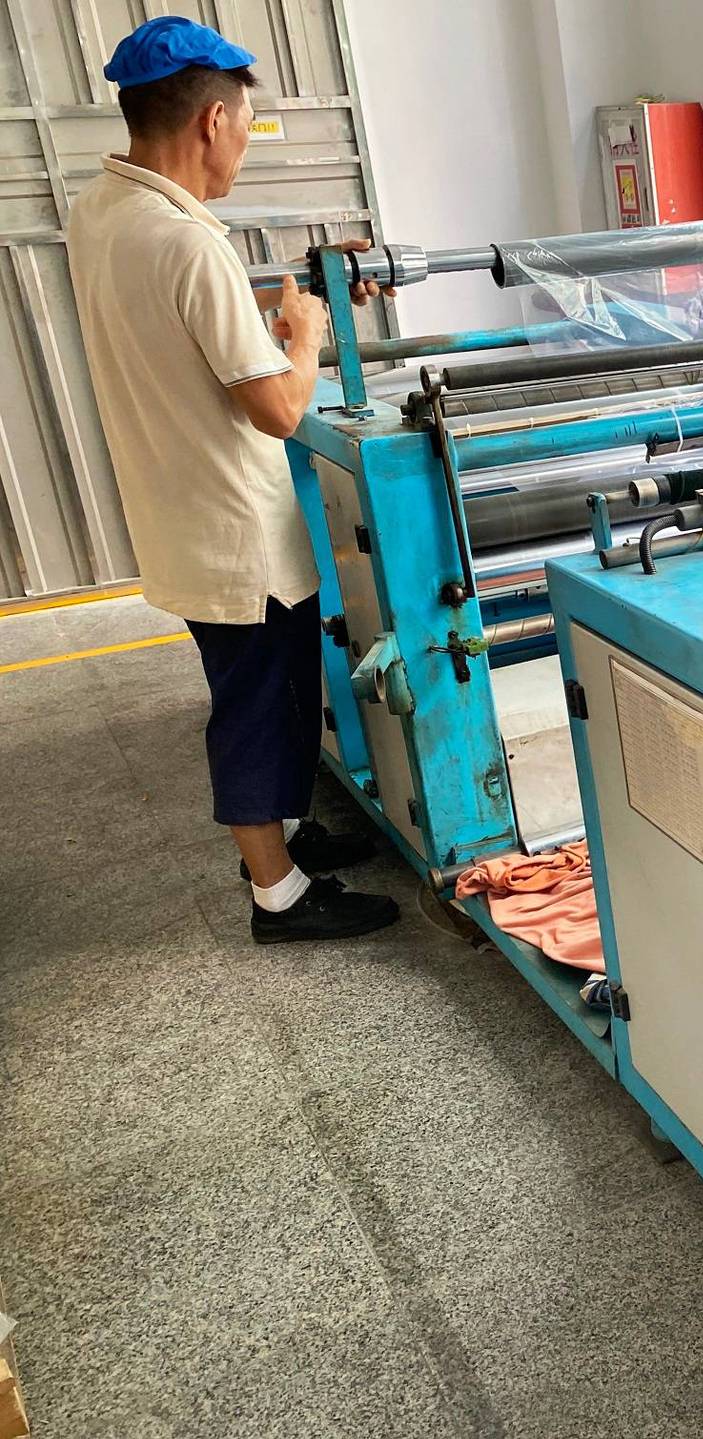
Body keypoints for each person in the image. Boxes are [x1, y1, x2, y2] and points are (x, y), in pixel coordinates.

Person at [69, 17, 400, 943]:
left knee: (269, 691)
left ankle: (284, 839)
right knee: (260, 705)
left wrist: (286, 306)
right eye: (247, 127)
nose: (245, 147)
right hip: (235, 531)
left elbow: (179, 322)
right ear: (212, 121)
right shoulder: (188, 243)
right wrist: (308, 339)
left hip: (178, 511)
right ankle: (277, 895)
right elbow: (280, 410)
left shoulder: (102, 210)